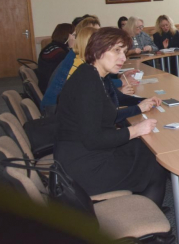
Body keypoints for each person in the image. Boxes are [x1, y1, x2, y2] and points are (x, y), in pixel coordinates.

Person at [54, 28, 167, 207]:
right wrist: (135, 130)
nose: (122, 57)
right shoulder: (88, 83)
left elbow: (103, 116)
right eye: (116, 50)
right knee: (154, 161)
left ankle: (146, 204)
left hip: (85, 154)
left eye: (124, 52)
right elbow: (93, 139)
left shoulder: (92, 74)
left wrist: (139, 109)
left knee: (147, 148)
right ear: (97, 50)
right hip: (84, 168)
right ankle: (147, 214)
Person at [37, 23, 75, 93]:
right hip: (52, 90)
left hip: (51, 86)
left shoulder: (53, 47)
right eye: (74, 35)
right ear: (68, 36)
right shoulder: (57, 52)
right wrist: (72, 48)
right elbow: (71, 66)